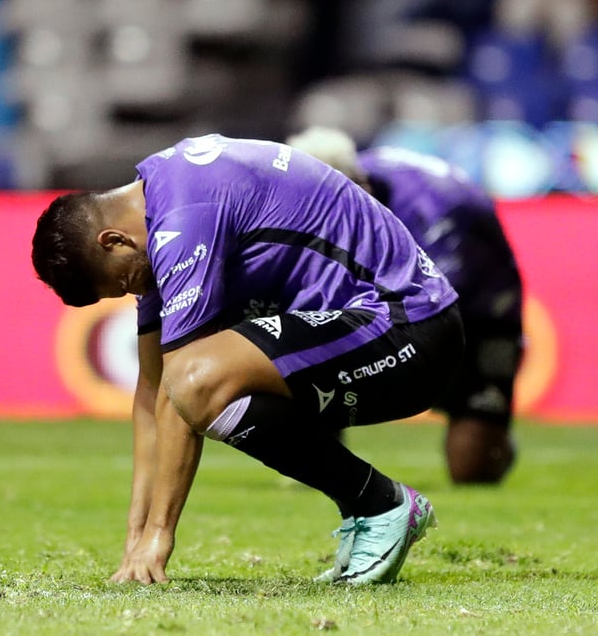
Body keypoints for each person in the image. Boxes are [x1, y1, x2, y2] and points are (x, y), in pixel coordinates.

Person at [30, 133, 464, 585]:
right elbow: (151, 391)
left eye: (122, 284)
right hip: (375, 332)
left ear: (113, 240)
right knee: (196, 382)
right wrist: (135, 536)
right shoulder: (159, 207)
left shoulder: (184, 217)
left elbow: (183, 385)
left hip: (410, 330)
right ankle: (373, 503)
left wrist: (160, 536)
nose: (134, 294)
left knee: (200, 380)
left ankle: (381, 505)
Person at [286, 126, 521, 484]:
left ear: (356, 190)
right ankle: (323, 437)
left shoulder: (434, 211)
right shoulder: (337, 178)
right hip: (411, 291)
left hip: (481, 307)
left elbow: (433, 308)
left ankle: (495, 437)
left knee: (472, 468)